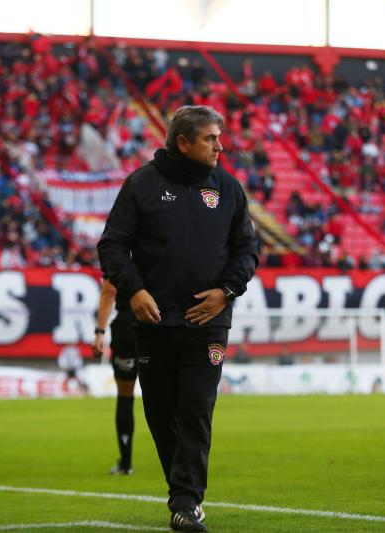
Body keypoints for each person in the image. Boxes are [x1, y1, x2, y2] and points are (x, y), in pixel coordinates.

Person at [98, 105, 258, 532]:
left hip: (209, 322)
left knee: (196, 409)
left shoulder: (228, 189)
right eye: (210, 138)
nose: (219, 146)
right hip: (153, 321)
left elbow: (247, 251)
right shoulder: (142, 185)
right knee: (159, 412)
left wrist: (226, 292)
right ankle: (182, 493)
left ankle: (186, 502)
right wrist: (134, 290)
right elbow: (112, 245)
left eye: (219, 138)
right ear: (183, 142)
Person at [92, 277, 138, 475]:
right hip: (160, 324)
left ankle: (126, 463)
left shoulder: (120, 251)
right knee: (165, 396)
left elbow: (109, 291)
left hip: (128, 328)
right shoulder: (163, 248)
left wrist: (99, 332)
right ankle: (177, 463)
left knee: (125, 395)